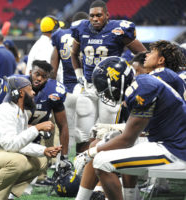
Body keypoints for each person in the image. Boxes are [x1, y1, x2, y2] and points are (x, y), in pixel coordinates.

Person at [74, 56, 186, 200]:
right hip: (166, 142)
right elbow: (136, 132)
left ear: (117, 81)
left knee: (101, 161)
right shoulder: (140, 84)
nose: (106, 94)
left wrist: (89, 153)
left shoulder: (143, 89)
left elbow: (127, 140)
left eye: (106, 89)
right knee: (105, 143)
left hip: (175, 150)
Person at [0, 76, 62, 200]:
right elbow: (11, 146)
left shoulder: (20, 113)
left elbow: (20, 145)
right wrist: (36, 128)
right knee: (18, 161)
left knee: (42, 160)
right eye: (30, 89)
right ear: (21, 92)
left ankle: (8, 195)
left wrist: (43, 151)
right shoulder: (5, 111)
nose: (33, 93)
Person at [70, 0, 146, 152]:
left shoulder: (118, 29)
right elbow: (73, 53)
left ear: (107, 15)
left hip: (112, 89)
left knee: (107, 132)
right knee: (82, 133)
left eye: (99, 15)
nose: (95, 19)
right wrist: (78, 73)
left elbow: (143, 54)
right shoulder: (81, 28)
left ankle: (107, 168)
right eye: (92, 16)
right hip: (89, 86)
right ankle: (83, 169)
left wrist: (129, 73)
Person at [22, 60, 70, 185]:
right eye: (37, 74)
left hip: (36, 138)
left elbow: (63, 126)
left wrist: (64, 157)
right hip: (14, 135)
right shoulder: (19, 85)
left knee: (50, 128)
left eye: (43, 76)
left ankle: (40, 175)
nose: (39, 79)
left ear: (48, 78)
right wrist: (33, 127)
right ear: (30, 72)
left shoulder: (52, 91)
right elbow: (7, 121)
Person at [50, 11, 88, 154]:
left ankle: (63, 163)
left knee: (66, 129)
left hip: (67, 89)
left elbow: (53, 69)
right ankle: (82, 163)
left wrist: (52, 88)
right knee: (86, 131)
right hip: (86, 88)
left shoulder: (60, 35)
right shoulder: (89, 33)